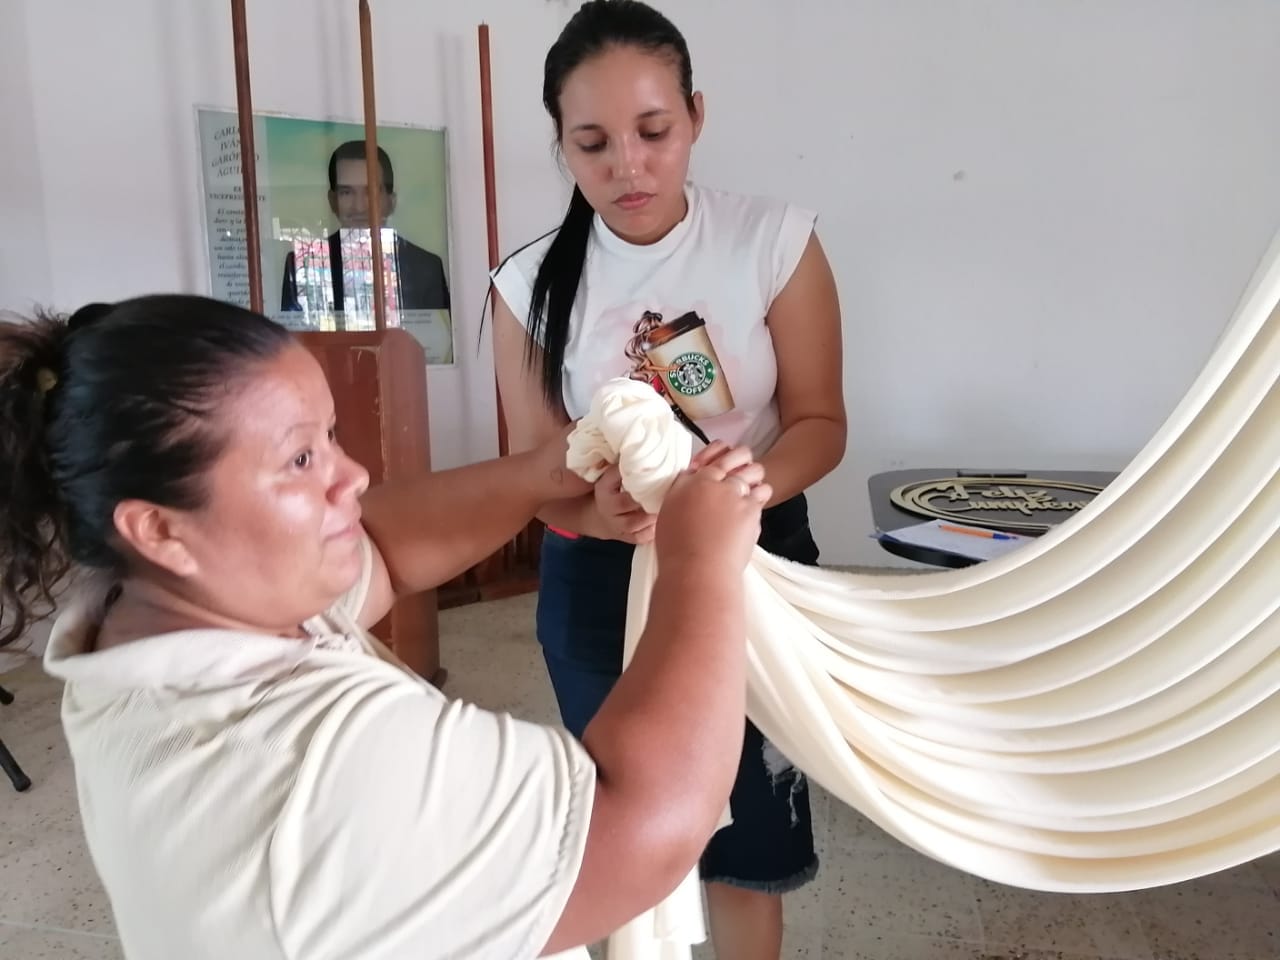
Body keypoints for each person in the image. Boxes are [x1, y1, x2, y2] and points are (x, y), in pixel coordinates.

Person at [0, 294, 774, 960]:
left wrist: (553, 468)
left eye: (331, 436)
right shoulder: (318, 760)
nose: (352, 475)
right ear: (160, 528)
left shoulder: (142, 618)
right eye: (299, 460)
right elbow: (642, 826)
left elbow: (382, 548)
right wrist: (700, 562)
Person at [490, 2, 847, 956]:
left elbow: (820, 423)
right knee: (624, 840)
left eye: (654, 131)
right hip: (601, 575)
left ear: (695, 115)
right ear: (561, 144)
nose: (628, 166)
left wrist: (739, 491)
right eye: (593, 143)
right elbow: (539, 470)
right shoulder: (527, 286)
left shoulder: (773, 242)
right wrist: (601, 510)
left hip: (755, 559)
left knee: (749, 837)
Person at [281, 140, 451, 314]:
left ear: (391, 201)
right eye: (346, 192)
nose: (359, 207)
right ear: (332, 201)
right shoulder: (301, 265)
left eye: (370, 192)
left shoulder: (426, 267)